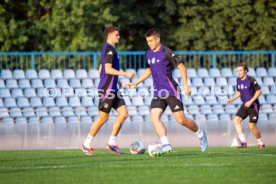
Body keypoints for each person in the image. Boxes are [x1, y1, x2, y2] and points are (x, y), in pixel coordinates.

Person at [127, 28, 208, 156]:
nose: (149, 43)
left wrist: (186, 86)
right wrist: (136, 83)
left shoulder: (166, 52)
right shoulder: (148, 53)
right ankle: (166, 144)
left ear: (158, 39)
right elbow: (149, 70)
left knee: (181, 120)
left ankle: (201, 134)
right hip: (158, 92)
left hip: (171, 91)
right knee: (154, 118)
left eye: (151, 41)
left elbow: (181, 66)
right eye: (148, 41)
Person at [81, 26, 136, 155]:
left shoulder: (108, 49)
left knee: (123, 114)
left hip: (112, 87)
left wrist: (115, 80)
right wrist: (125, 74)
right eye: (117, 35)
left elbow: (101, 69)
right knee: (103, 117)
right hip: (107, 89)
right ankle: (86, 143)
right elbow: (107, 69)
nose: (119, 37)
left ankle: (111, 142)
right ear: (110, 35)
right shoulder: (109, 49)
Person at [227, 63, 265, 148]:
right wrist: (232, 99)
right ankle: (243, 142)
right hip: (244, 105)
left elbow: (259, 91)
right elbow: (239, 92)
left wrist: (251, 101)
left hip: (253, 106)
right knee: (236, 120)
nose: (238, 72)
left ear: (245, 71)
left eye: (240, 70)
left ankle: (260, 142)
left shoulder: (251, 80)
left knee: (251, 126)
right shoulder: (238, 80)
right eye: (237, 71)